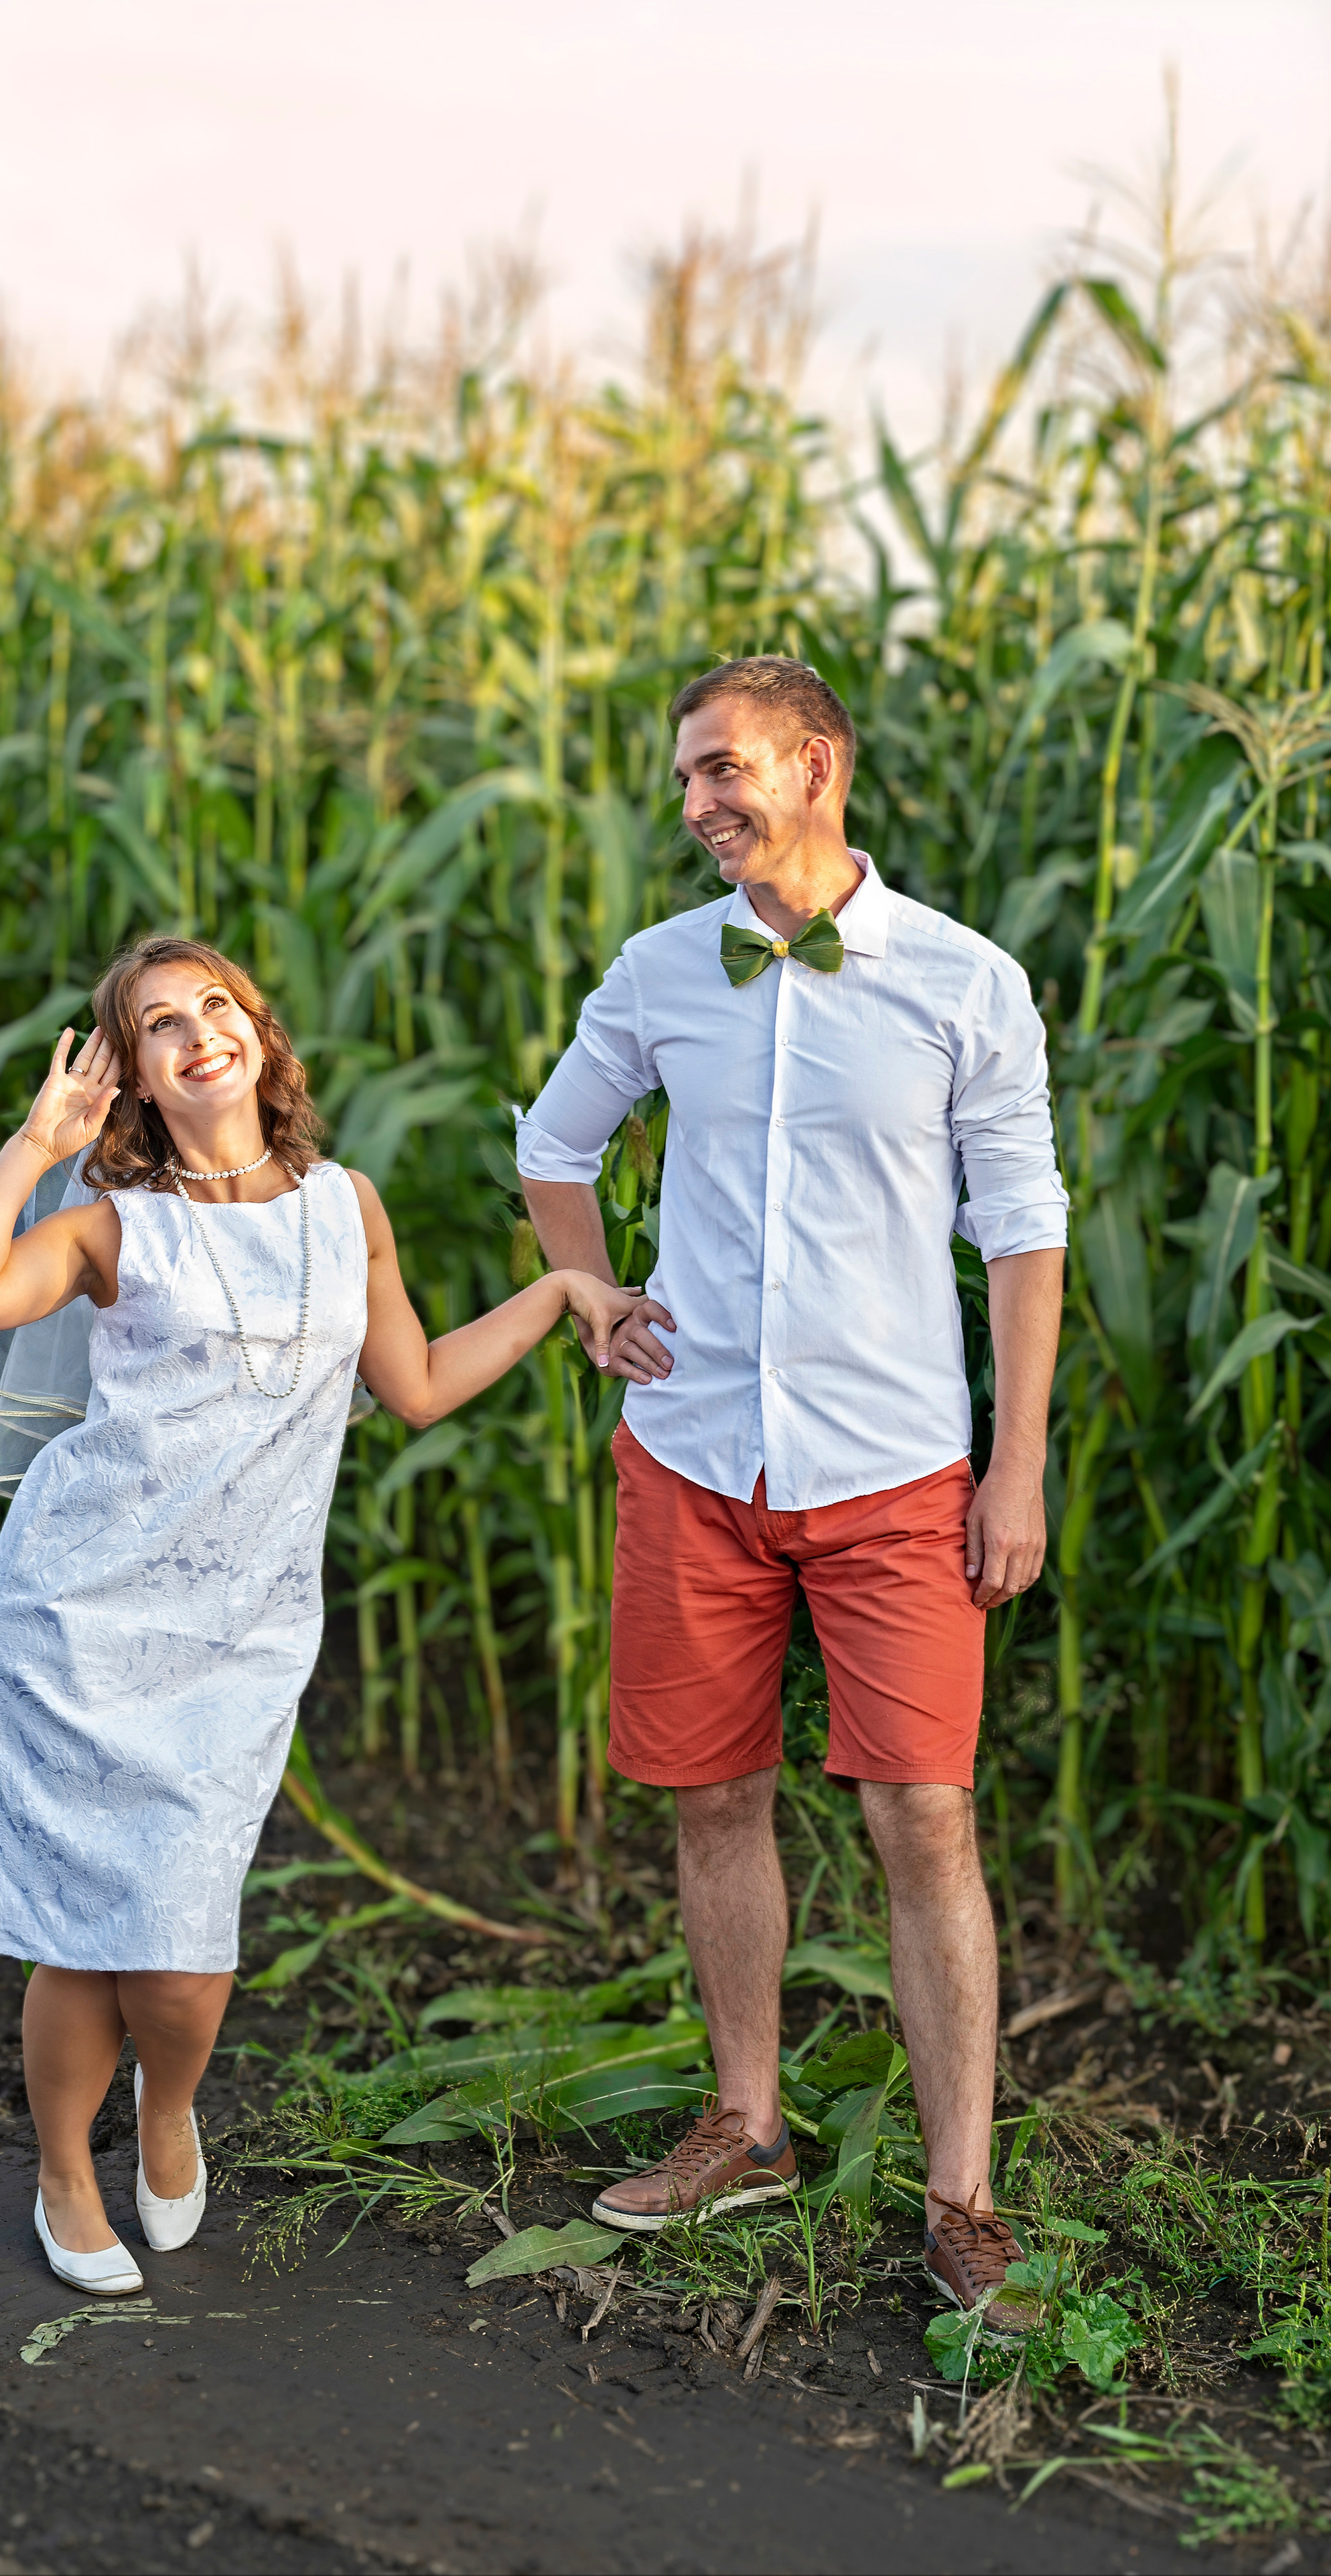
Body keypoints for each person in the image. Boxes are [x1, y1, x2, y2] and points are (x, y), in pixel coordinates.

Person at [0, 934, 638, 2297]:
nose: (197, 1035)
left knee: (182, 1959)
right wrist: (33, 1143)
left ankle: (167, 2104)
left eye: (216, 1007)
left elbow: (411, 1384)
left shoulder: (343, 1206)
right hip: (76, 1618)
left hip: (241, 1632)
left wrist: (555, 1293)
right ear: (130, 1073)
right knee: (83, 1938)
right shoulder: (111, 1223)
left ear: (259, 1029)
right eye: (157, 1026)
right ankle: (66, 2172)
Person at [516, 657, 1067, 2338]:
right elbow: (555, 1143)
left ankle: (960, 2199)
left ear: (816, 762)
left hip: (896, 1466)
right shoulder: (660, 971)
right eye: (686, 782)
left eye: (720, 770)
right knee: (711, 1800)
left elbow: (1023, 1230)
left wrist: (1015, 1463)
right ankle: (744, 2126)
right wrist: (590, 1290)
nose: (695, 806)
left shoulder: (961, 981)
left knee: (923, 1817)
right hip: (693, 1455)